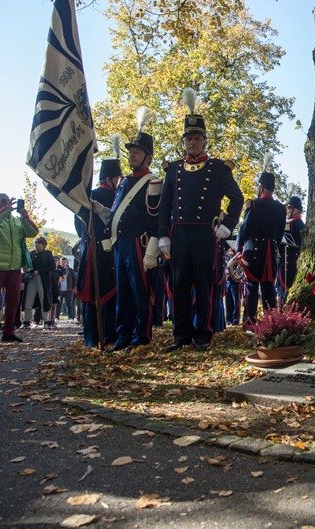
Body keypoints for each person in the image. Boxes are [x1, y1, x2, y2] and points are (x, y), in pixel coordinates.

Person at [158, 89, 244, 351]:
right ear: (184, 141)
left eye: (197, 138)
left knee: (204, 286)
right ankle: (181, 334)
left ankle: (203, 334)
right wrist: (163, 235)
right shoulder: (173, 169)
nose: (192, 142)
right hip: (179, 236)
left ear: (204, 140)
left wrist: (227, 226)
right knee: (180, 285)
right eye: (188, 138)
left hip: (206, 235)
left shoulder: (217, 168)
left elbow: (237, 198)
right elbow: (165, 204)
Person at [102, 107, 162, 352]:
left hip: (140, 244)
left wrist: (152, 252)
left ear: (148, 157)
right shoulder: (124, 181)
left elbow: (156, 219)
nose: (132, 156)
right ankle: (123, 336)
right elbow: (117, 210)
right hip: (120, 244)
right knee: (123, 294)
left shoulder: (154, 183)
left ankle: (141, 337)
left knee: (140, 293)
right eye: (131, 153)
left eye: (137, 153)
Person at [76, 143, 121, 348]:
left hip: (89, 249)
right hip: (107, 252)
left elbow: (79, 225)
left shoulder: (88, 196)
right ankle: (108, 335)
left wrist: (87, 239)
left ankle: (91, 336)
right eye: (118, 178)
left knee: (92, 296)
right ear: (110, 179)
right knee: (108, 295)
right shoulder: (116, 197)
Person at [0, 193, 39, 343]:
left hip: (14, 268)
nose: (8, 203)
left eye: (8, 201)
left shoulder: (17, 221)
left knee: (13, 301)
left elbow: (33, 232)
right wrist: (4, 212)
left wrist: (25, 217)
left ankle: (8, 333)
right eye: (3, 201)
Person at [237, 170, 286, 325]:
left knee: (251, 288)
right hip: (270, 252)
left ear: (261, 188)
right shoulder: (280, 208)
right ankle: (271, 322)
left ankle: (250, 322)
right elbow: (279, 234)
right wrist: (273, 246)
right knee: (268, 288)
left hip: (253, 251)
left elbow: (244, 228)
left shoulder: (253, 204)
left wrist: (238, 247)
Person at [22, 237, 55, 329]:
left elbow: (52, 266)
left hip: (42, 279)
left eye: (39, 243)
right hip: (31, 279)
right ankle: (26, 321)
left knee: (43, 299)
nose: (36, 244)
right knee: (29, 298)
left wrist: (39, 271)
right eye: (36, 243)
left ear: (43, 245)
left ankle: (46, 321)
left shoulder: (47, 254)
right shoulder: (31, 253)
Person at [277, 196, 304, 305]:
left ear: (295, 210)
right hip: (296, 259)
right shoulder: (302, 224)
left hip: (287, 260)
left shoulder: (290, 224)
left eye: (289, 208)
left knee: (283, 289)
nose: (287, 211)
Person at [57, 257, 76, 322]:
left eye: (64, 261)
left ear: (67, 262)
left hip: (69, 290)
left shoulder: (70, 270)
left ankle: (71, 317)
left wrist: (73, 287)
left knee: (69, 304)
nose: (63, 263)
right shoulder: (58, 270)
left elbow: (74, 279)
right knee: (58, 304)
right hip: (60, 290)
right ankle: (56, 317)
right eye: (62, 261)